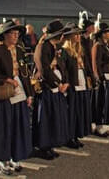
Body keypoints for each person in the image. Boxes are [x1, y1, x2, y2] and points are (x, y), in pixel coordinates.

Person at [0, 20, 34, 175]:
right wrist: (5, 79)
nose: (15, 36)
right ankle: (2, 159)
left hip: (19, 93)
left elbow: (25, 73)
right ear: (4, 35)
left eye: (17, 33)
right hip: (3, 94)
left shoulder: (20, 50)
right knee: (3, 127)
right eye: (12, 33)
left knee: (18, 126)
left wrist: (29, 94)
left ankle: (15, 156)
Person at [32, 20, 69, 160]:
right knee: (45, 118)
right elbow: (44, 70)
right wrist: (57, 83)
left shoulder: (52, 46)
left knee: (53, 117)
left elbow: (61, 66)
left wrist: (64, 81)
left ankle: (50, 145)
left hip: (55, 87)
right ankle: (43, 146)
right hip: (46, 87)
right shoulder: (42, 47)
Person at [61, 23, 92, 148]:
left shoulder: (79, 49)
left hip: (81, 82)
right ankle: (69, 137)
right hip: (73, 84)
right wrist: (67, 83)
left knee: (80, 110)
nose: (78, 36)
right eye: (76, 34)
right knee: (72, 112)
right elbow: (64, 70)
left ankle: (76, 135)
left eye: (79, 34)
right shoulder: (65, 51)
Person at [92, 22, 109, 136]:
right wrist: (99, 78)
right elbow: (96, 64)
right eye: (108, 32)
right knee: (101, 103)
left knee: (106, 103)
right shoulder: (97, 46)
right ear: (103, 34)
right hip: (103, 79)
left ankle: (102, 125)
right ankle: (98, 126)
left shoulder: (105, 45)